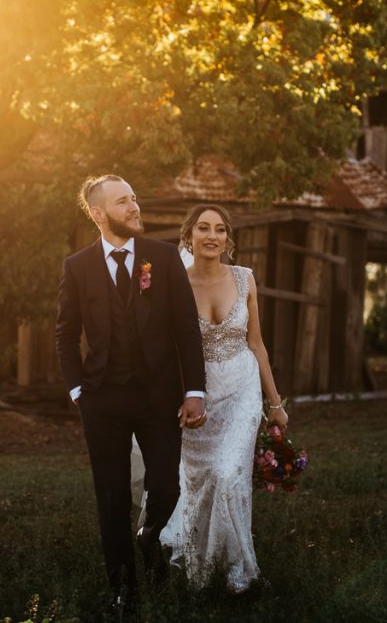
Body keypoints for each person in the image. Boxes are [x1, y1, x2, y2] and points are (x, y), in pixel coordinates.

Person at [55, 175, 208, 609]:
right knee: (112, 495)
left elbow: (185, 328)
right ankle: (124, 588)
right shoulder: (77, 267)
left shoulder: (161, 258)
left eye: (135, 199)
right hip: (102, 400)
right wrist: (78, 392)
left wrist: (193, 390)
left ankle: (150, 533)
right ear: (99, 214)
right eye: (124, 202)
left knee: (166, 483)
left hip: (159, 396)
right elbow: (65, 335)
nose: (134, 207)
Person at [160, 203, 289, 594]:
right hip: (198, 397)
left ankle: (240, 570)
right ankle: (202, 569)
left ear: (227, 239)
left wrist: (275, 403)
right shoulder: (174, 284)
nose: (211, 235)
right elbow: (168, 350)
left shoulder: (244, 278)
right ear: (189, 236)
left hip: (242, 389)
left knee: (226, 473)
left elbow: (257, 344)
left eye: (219, 229)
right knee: (199, 482)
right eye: (203, 228)